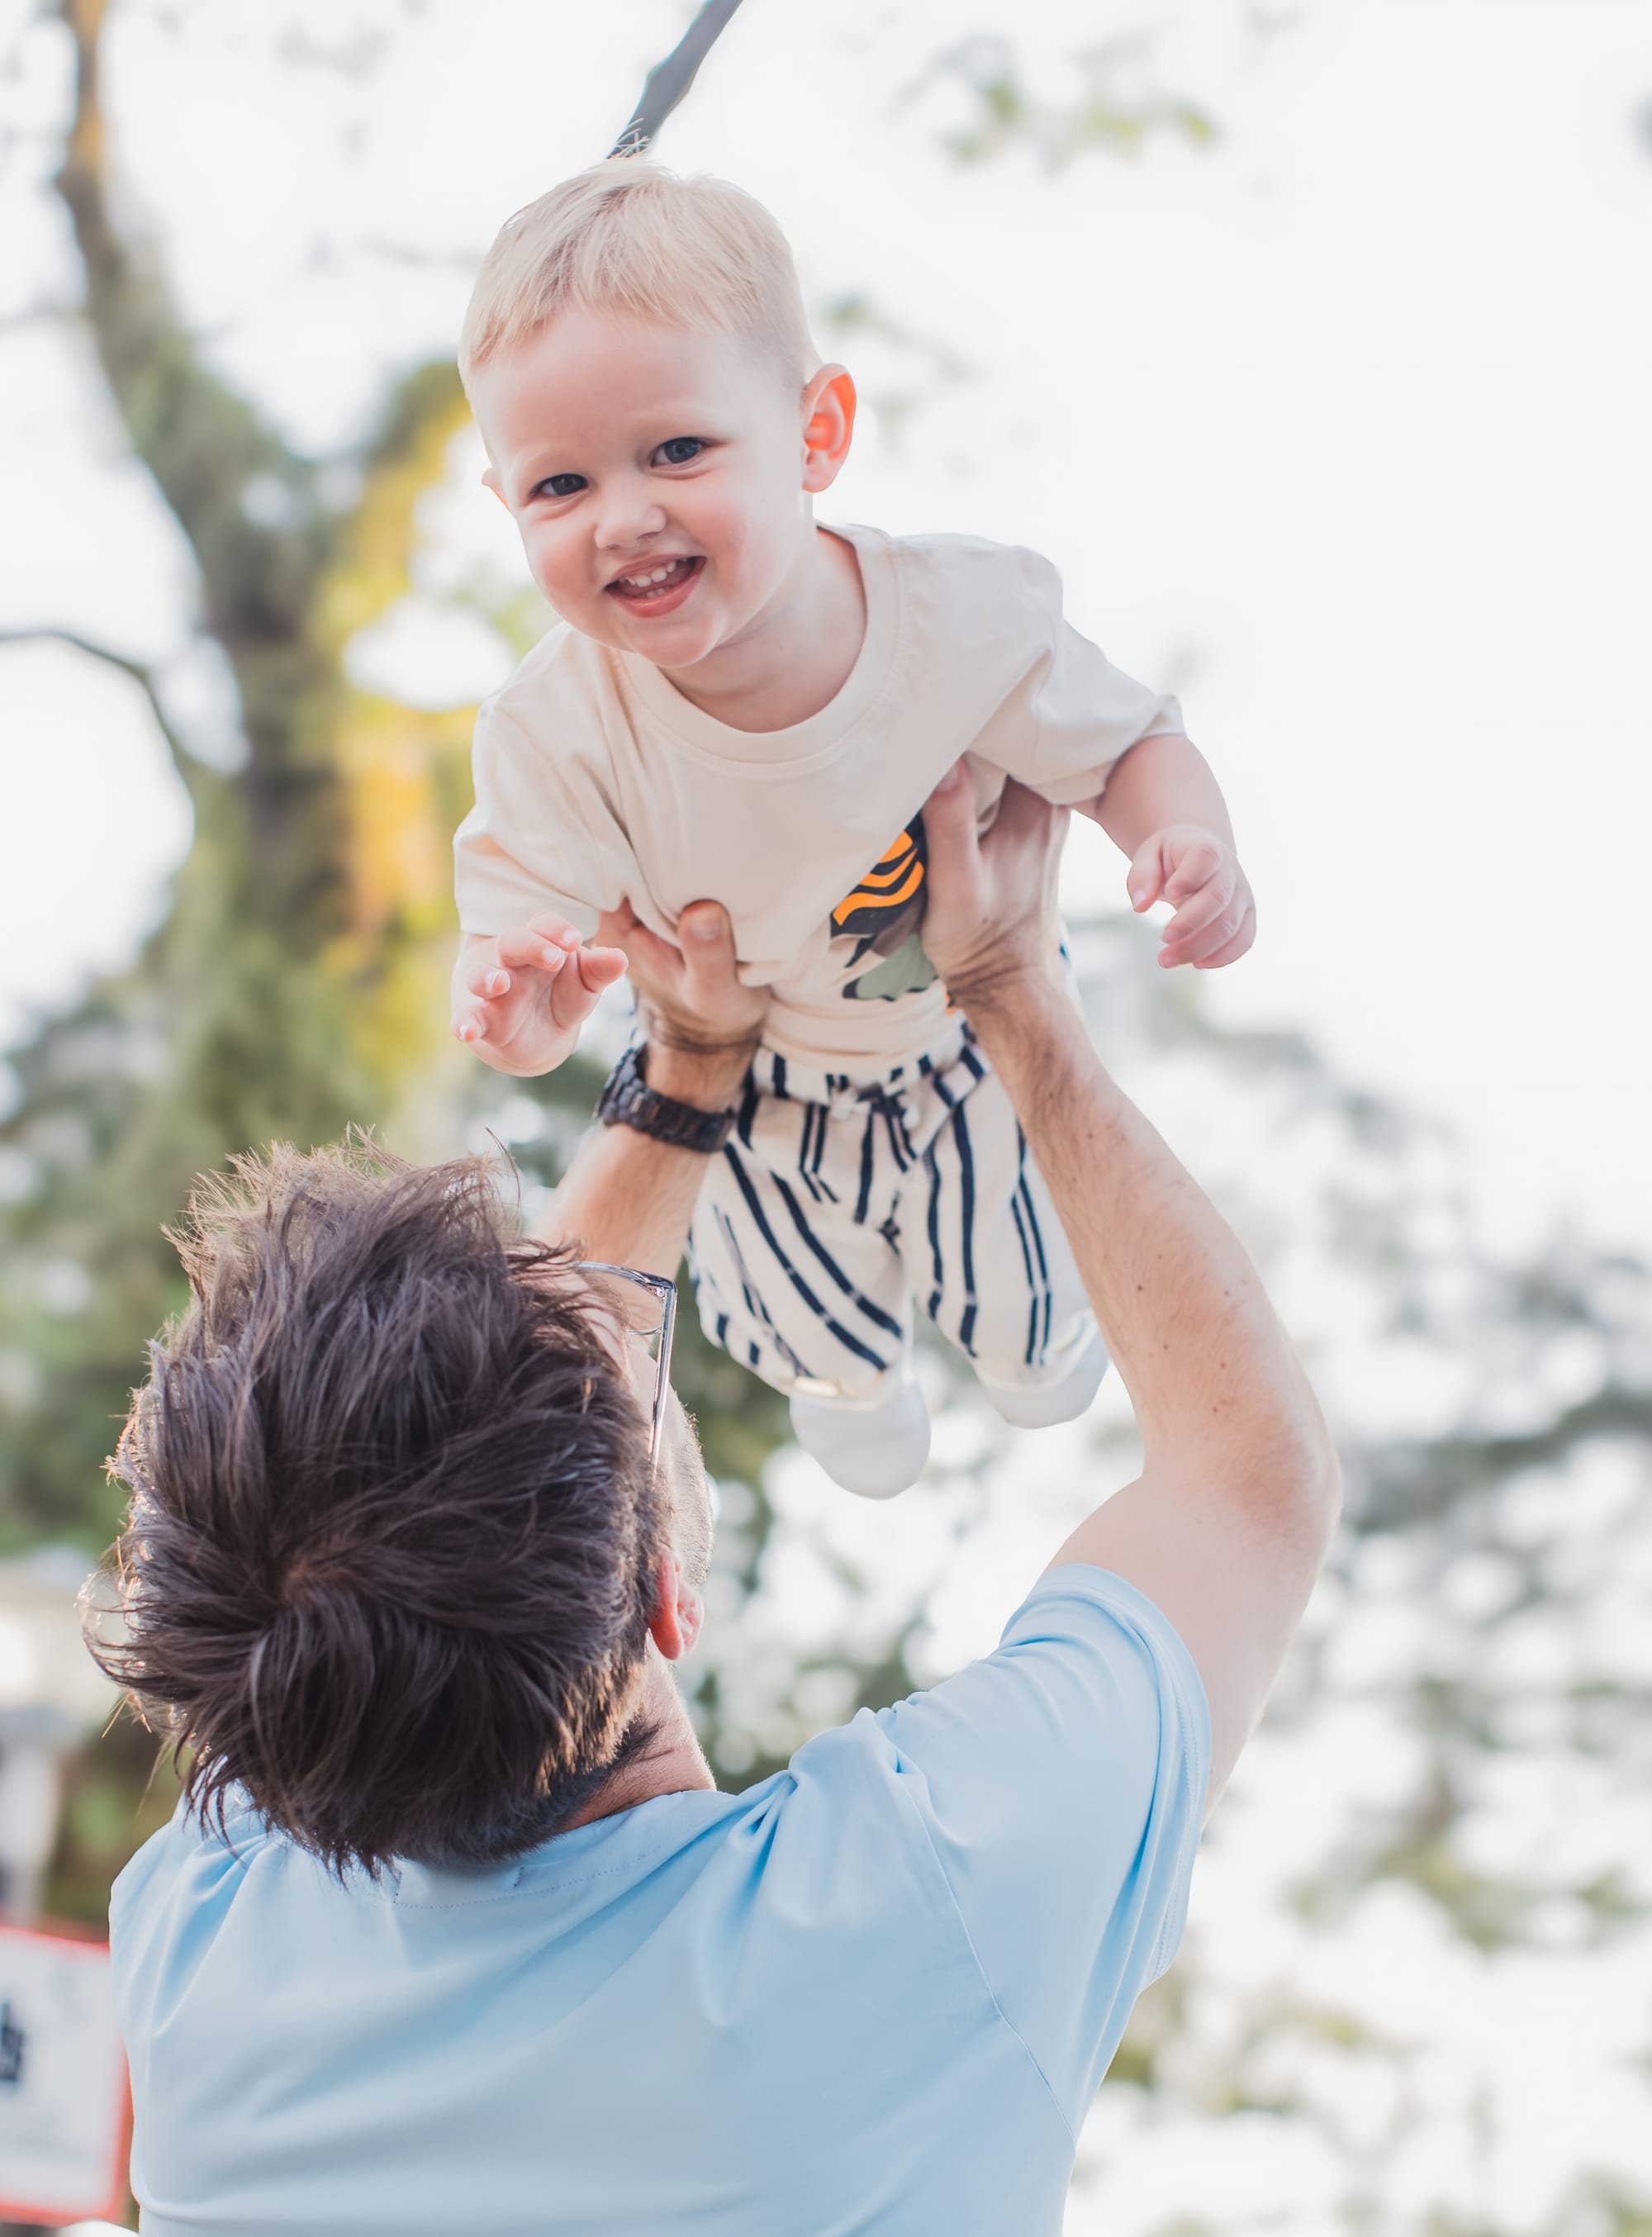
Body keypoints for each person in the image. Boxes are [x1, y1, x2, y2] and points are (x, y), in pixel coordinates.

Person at [93, 772, 1335, 2237]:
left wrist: (686, 1072)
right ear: (672, 1594)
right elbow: (1249, 1475)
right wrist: (1011, 987)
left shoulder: (207, 1959)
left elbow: (422, 1538)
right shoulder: (920, 1913)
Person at [448, 158, 1258, 1498]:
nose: (624, 516)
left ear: (816, 432)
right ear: (506, 504)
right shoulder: (555, 732)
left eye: (679, 451)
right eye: (559, 487)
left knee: (1027, 1284)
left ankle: (1039, 1354)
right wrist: (527, 1018)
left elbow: (1130, 743)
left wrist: (1184, 842)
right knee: (786, 1307)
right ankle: (847, 1384)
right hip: (760, 1089)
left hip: (960, 1045)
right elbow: (525, 960)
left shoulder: (963, 622)